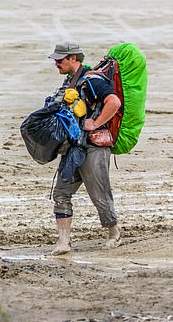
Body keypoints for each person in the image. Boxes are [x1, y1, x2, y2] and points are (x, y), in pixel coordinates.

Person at [47, 40, 122, 255]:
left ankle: (114, 233)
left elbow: (114, 102)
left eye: (59, 60)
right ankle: (63, 243)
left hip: (93, 147)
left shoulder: (93, 80)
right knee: (61, 192)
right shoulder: (71, 82)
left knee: (99, 193)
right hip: (73, 147)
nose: (56, 64)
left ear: (73, 59)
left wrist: (95, 123)